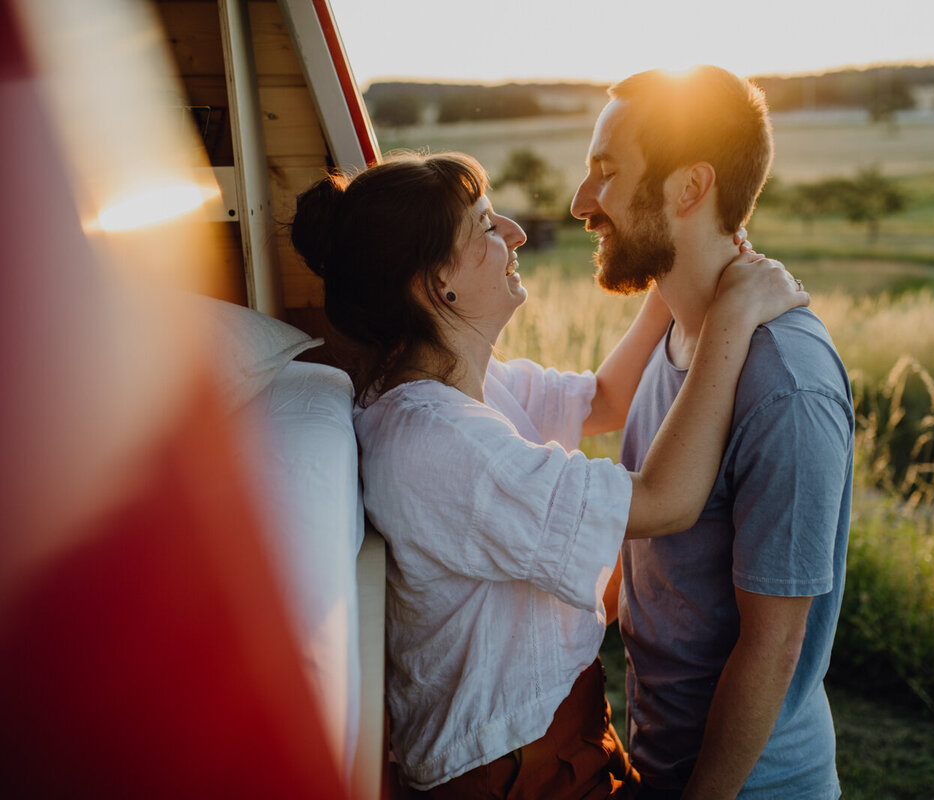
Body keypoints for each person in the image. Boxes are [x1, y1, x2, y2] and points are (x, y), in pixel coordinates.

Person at [288, 150, 808, 799]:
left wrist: (676, 262)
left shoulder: (474, 390)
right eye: (483, 226)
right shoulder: (437, 443)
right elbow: (666, 501)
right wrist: (733, 315)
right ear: (435, 283)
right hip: (513, 777)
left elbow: (610, 399)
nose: (515, 233)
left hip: (554, 744)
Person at [570, 67, 854, 800]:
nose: (581, 203)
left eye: (605, 173)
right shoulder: (679, 329)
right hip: (657, 757)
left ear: (689, 188)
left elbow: (774, 643)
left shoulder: (787, 384)